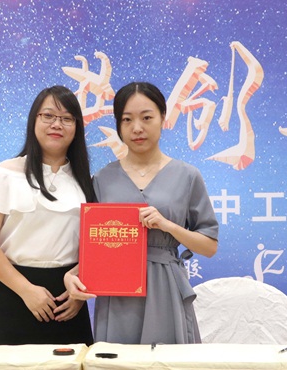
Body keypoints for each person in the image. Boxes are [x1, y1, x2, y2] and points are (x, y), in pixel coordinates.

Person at [65, 82, 219, 344]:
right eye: (127, 120)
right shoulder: (102, 179)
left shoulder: (187, 176)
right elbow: (98, 247)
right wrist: (73, 274)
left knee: (167, 365)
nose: (137, 128)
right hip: (117, 291)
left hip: (165, 286)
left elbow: (209, 246)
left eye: (146, 117)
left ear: (162, 118)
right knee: (117, 364)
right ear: (118, 125)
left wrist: (168, 226)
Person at [0, 85, 96, 345]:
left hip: (68, 301)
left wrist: (79, 290)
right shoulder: (4, 174)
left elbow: (97, 247)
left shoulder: (87, 181)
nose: (56, 124)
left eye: (66, 118)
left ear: (77, 127)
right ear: (33, 121)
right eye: (48, 115)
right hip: (14, 293)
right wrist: (26, 290)